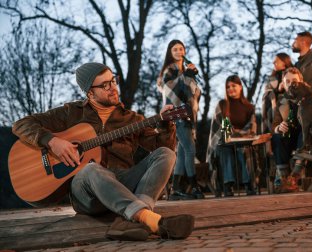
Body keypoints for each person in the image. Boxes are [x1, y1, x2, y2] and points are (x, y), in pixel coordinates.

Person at [12, 62, 195, 241]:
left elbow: (163, 149)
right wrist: (52, 141)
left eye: (113, 81)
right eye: (105, 85)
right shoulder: (71, 113)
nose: (113, 88)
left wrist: (165, 125)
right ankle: (147, 219)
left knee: (166, 154)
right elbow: (21, 124)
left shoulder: (131, 118)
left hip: (123, 183)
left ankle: (134, 219)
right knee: (91, 168)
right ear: (90, 92)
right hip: (87, 192)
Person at [157, 39, 204, 200]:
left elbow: (194, 91)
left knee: (184, 152)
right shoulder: (169, 70)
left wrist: (189, 75)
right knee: (190, 150)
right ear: (170, 53)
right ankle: (194, 186)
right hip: (177, 114)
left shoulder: (184, 68)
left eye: (181, 49)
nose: (178, 51)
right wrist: (186, 76)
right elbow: (168, 89)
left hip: (187, 115)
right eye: (175, 49)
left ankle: (176, 188)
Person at [207, 75, 257, 197]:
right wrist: (233, 132)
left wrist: (239, 134)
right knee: (225, 150)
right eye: (228, 86)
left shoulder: (249, 107)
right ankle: (227, 186)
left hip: (243, 141)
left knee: (243, 150)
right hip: (224, 140)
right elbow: (219, 126)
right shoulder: (222, 104)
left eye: (233, 86)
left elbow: (251, 127)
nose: (230, 89)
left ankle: (248, 184)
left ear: (240, 87)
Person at [262, 53, 293, 193]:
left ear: (285, 62)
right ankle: (281, 177)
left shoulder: (293, 74)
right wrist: (277, 90)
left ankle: (288, 178)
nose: (274, 64)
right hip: (276, 114)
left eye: (276, 61)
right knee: (277, 138)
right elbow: (266, 94)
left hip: (291, 112)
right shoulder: (272, 78)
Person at [271, 67, 303, 193]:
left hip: (306, 140)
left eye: (294, 81)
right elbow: (274, 126)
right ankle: (284, 179)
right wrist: (279, 128)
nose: (291, 84)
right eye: (287, 82)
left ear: (301, 81)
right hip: (289, 139)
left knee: (304, 130)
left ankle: (294, 176)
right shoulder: (281, 102)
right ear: (283, 85)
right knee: (277, 136)